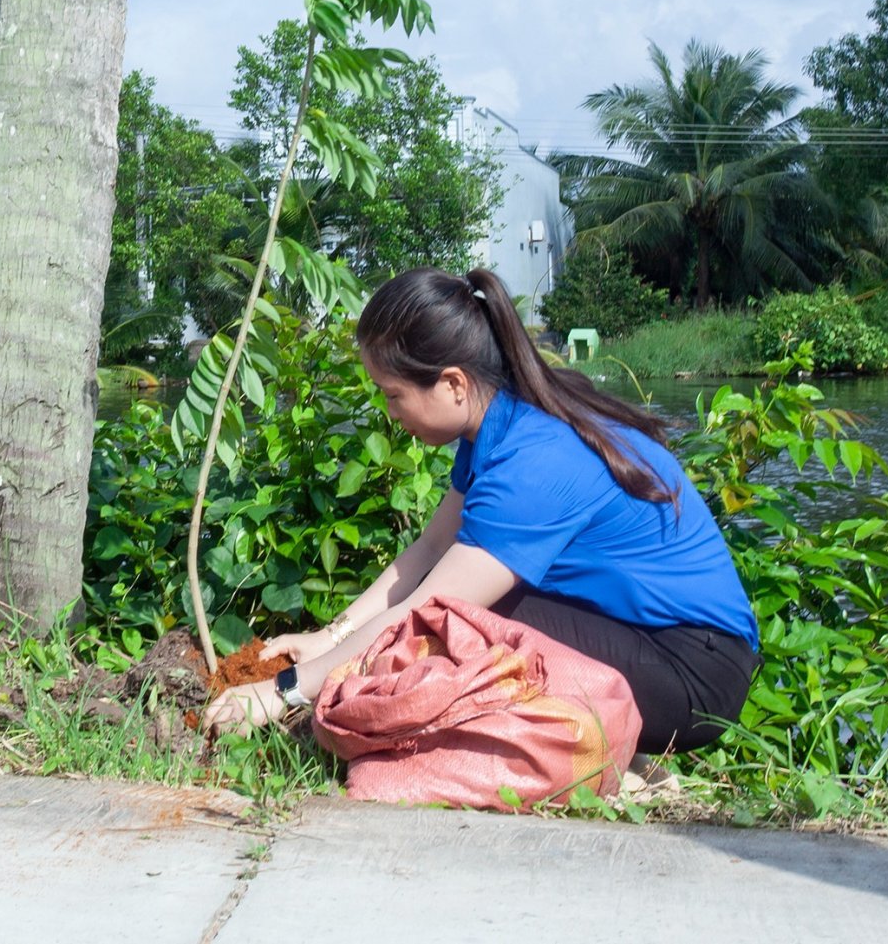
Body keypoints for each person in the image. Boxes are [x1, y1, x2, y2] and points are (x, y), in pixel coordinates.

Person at [208, 266, 758, 754]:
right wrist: (330, 636)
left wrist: (285, 691)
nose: (388, 411)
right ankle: (606, 751)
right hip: (646, 642)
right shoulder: (501, 422)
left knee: (457, 624)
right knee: (460, 614)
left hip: (693, 677)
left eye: (393, 394)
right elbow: (428, 551)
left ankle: (608, 751)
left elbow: (428, 607)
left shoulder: (535, 461)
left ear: (452, 383)